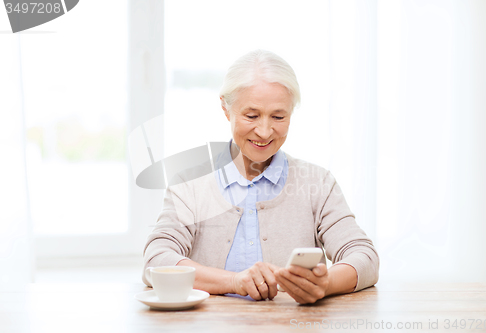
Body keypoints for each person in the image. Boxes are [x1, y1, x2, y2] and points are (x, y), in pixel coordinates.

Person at [142, 49, 379, 304]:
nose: (265, 132)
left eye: (278, 116)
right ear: (225, 108)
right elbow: (156, 259)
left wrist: (326, 284)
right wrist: (234, 281)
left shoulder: (317, 183)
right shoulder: (190, 184)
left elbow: (364, 257)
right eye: (251, 116)